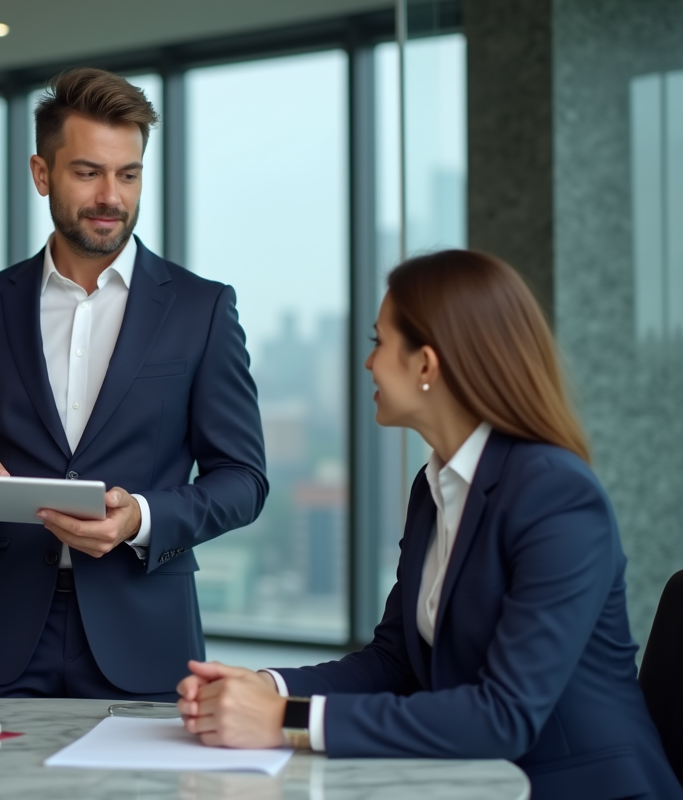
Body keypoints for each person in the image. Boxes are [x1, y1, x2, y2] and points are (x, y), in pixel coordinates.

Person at [176, 249, 681, 799]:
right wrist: (265, 687)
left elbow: (503, 716)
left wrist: (285, 720)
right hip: (475, 781)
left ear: (426, 365)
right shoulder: (434, 487)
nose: (368, 364)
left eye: (379, 343)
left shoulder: (555, 494)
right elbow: (394, 661)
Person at [0, 68, 268, 700]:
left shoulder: (201, 309)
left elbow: (244, 479)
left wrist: (143, 518)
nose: (112, 195)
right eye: (87, 173)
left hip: (146, 636)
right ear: (42, 173)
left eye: (128, 175)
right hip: (5, 640)